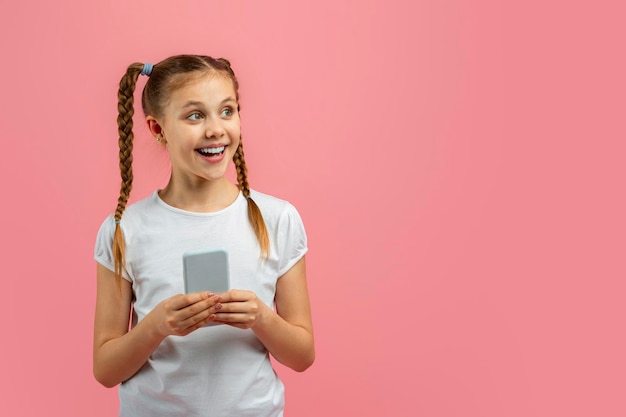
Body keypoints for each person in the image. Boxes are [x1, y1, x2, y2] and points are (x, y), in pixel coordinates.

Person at [92, 55, 315, 417]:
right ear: (157, 128)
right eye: (195, 115)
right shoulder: (124, 230)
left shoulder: (279, 220)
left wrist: (261, 317)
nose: (215, 129)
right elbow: (105, 369)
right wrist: (156, 327)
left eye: (227, 111)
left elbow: (303, 355)